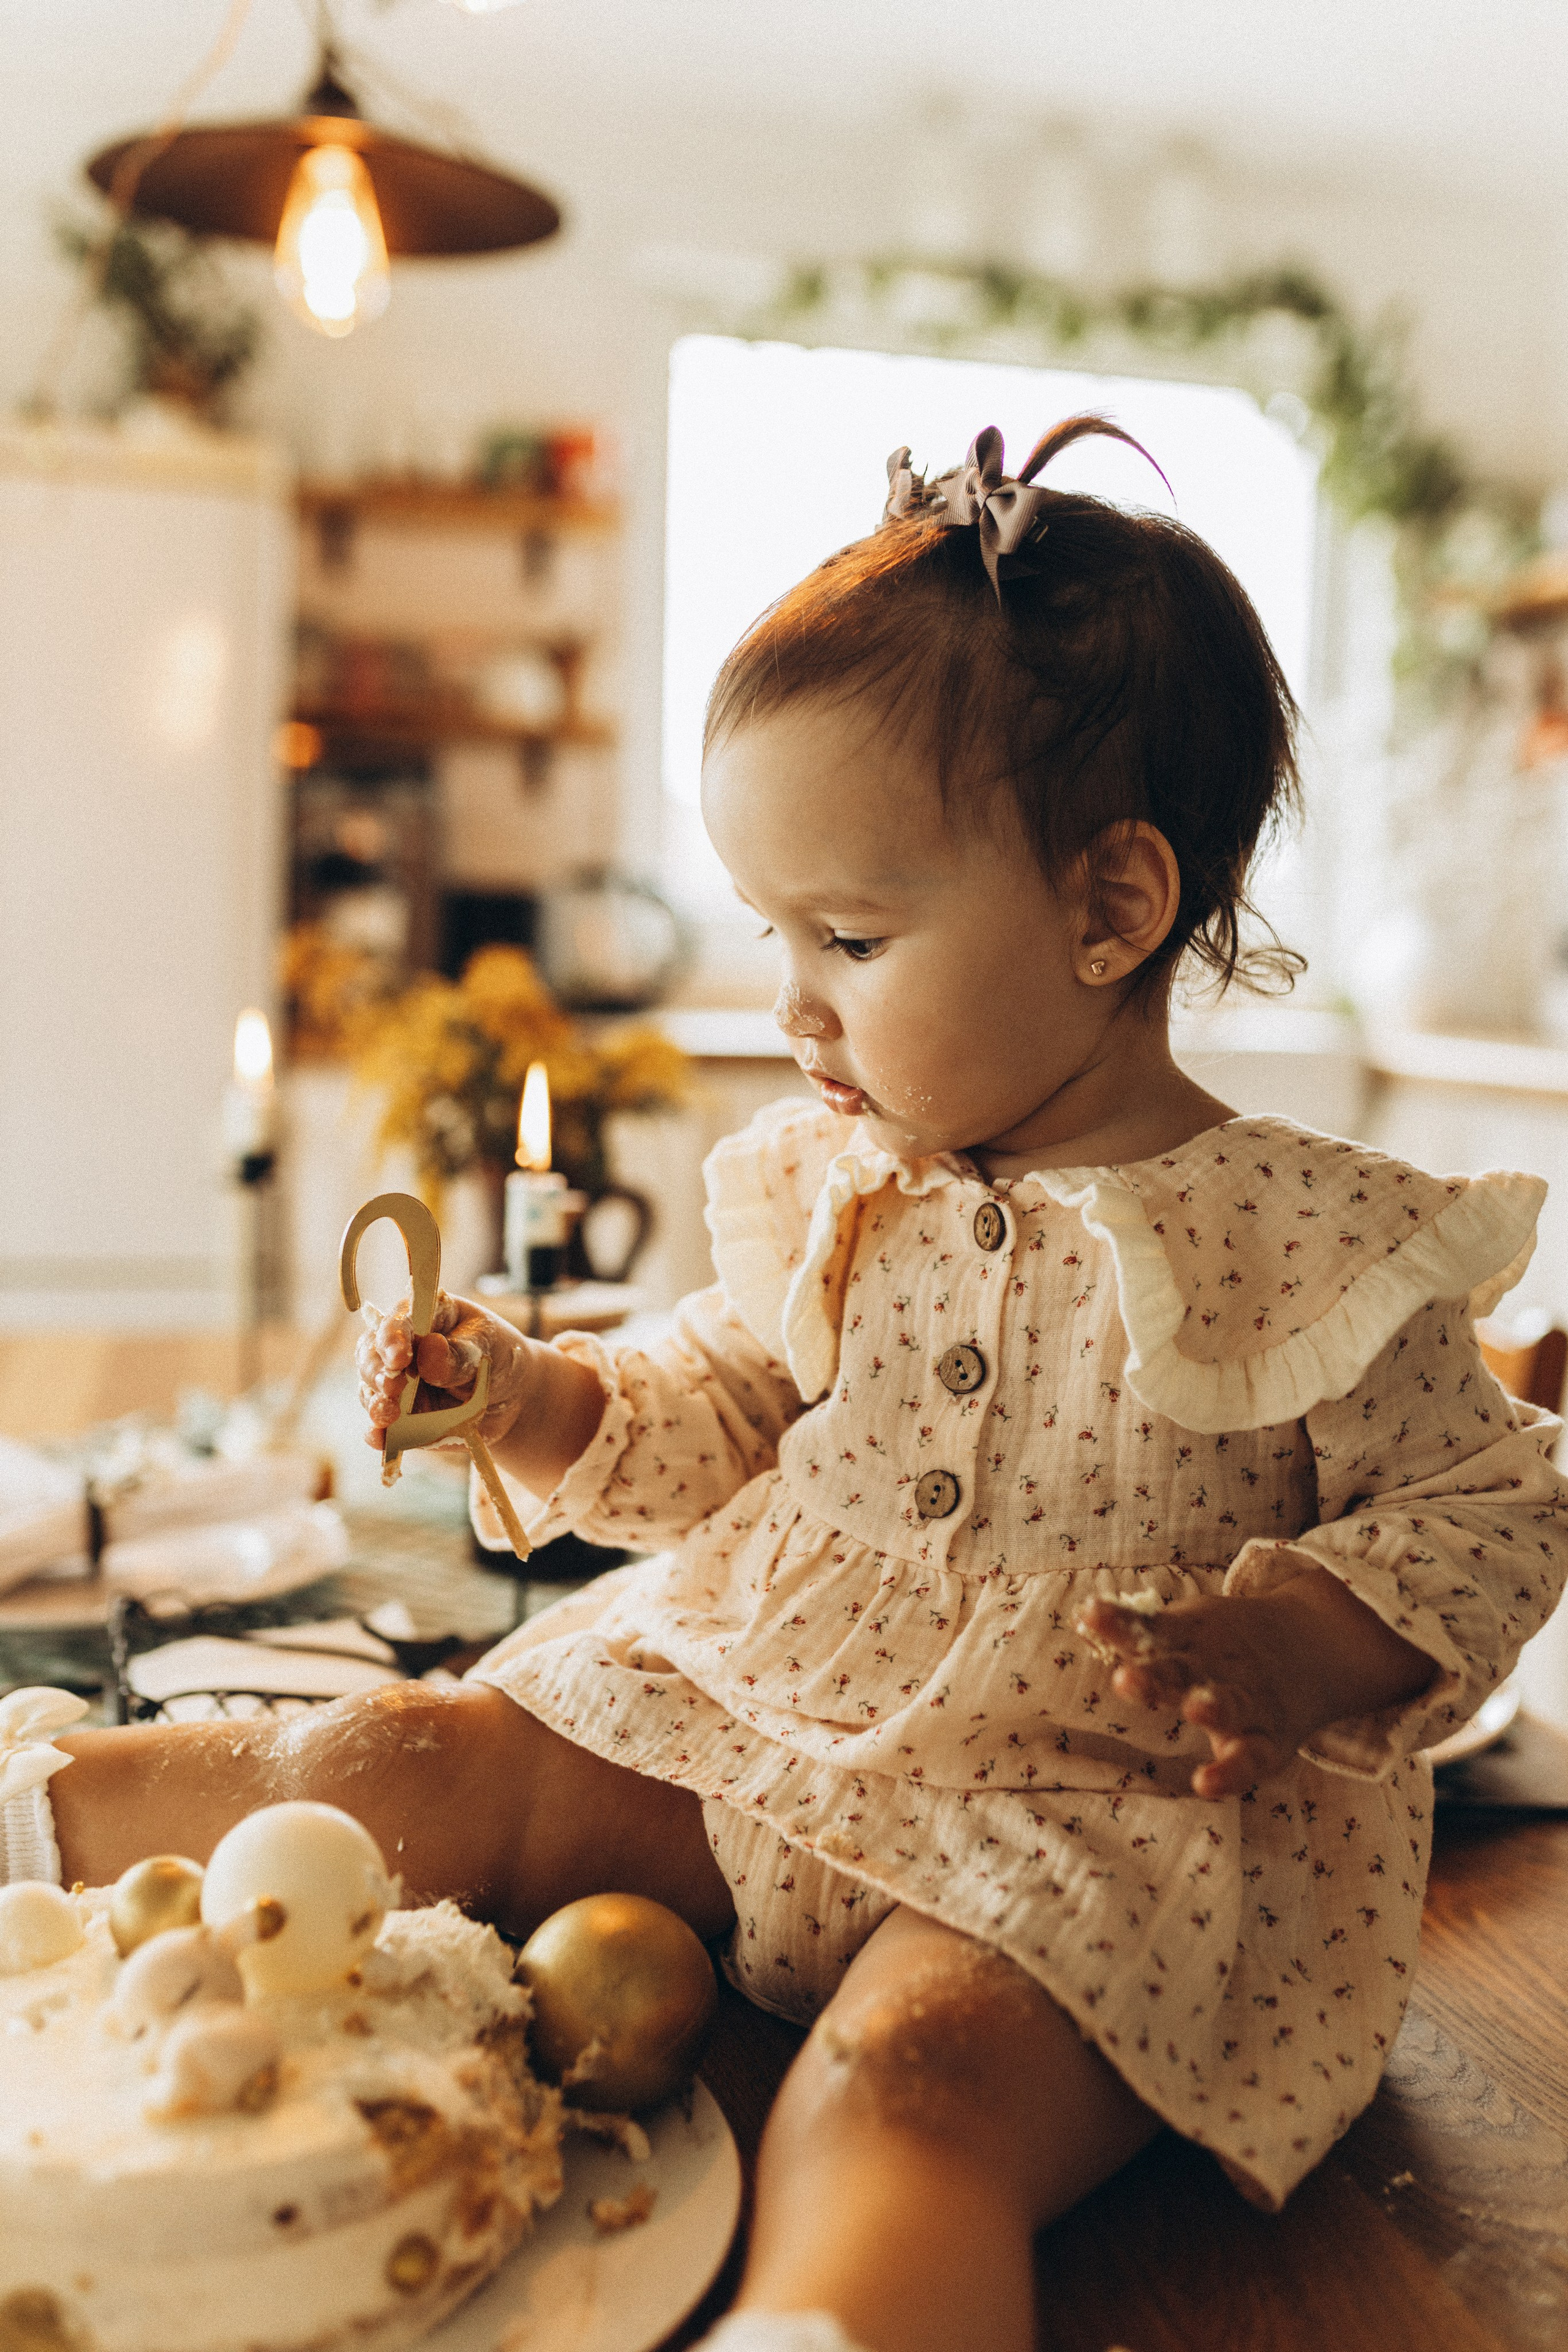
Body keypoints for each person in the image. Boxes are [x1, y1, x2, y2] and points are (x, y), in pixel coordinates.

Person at [12, 421, 1567, 2352]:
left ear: (1111, 909)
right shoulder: (837, 1182)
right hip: (757, 1720)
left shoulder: (1323, 1241)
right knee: (407, 1759)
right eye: (775, 935)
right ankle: (37, 1818)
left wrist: (1302, 1641)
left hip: (1079, 1829)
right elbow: (712, 1402)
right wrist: (532, 1402)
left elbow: (1497, 1505)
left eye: (848, 938)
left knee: (900, 2106)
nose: (791, 1005)